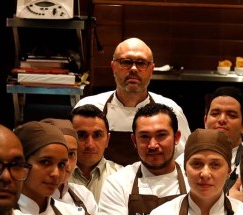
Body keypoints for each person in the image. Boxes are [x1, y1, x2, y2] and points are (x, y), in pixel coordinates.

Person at [74, 37, 191, 165]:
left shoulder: (170, 110)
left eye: (141, 63)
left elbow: (184, 159)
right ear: (113, 67)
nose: (134, 69)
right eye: (126, 62)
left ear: (151, 70)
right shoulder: (89, 107)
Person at [40, 117, 100, 215]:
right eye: (56, 155)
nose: (66, 163)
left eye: (71, 154)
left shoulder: (83, 195)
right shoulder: (33, 202)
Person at [69, 104, 123, 203]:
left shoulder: (123, 177)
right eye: (81, 135)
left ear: (108, 140)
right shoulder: (57, 177)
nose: (90, 144)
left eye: (97, 135)